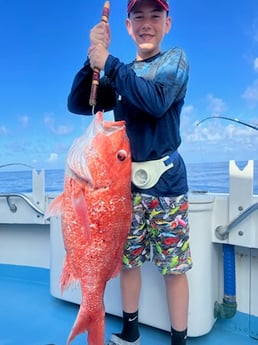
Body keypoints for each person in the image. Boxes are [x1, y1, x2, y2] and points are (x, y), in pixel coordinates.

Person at [67, 0, 192, 344]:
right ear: (127, 25)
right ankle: (131, 331)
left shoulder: (174, 61)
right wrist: (92, 55)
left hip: (167, 184)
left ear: (168, 23)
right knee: (128, 261)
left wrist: (110, 63)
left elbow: (154, 101)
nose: (147, 24)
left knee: (174, 267)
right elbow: (80, 102)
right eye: (139, 17)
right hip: (125, 188)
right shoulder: (121, 75)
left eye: (155, 16)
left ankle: (178, 340)